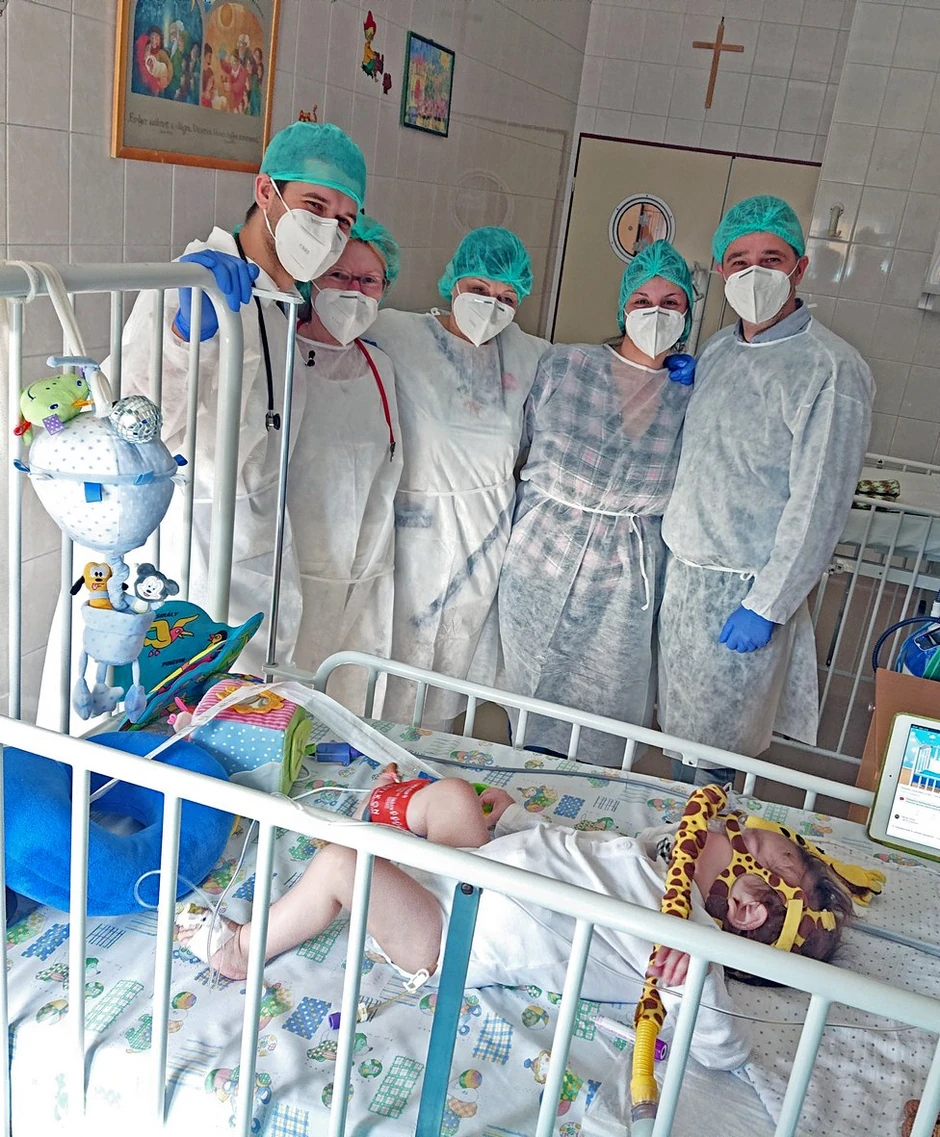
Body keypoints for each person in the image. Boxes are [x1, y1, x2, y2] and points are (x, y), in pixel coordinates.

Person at [175, 791, 861, 1072]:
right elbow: (567, 854)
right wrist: (514, 822)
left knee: (340, 863)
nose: (729, 828)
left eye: (748, 845)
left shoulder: (680, 938)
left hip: (451, 932)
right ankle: (381, 794)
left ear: (745, 909)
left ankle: (239, 950)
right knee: (451, 796)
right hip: (479, 866)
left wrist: (690, 974)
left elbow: (724, 1050)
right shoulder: (657, 858)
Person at [116, 122, 366, 675]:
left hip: (259, 541)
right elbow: (133, 419)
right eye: (314, 205)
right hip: (187, 543)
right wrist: (185, 335)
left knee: (249, 700)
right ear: (265, 192)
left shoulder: (282, 302)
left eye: (344, 220)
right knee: (174, 705)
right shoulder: (194, 281)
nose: (328, 230)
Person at [657, 196, 874, 785]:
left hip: (743, 589)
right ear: (721, 272)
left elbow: (819, 504)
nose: (753, 274)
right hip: (684, 577)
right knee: (678, 735)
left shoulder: (831, 368)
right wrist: (695, 381)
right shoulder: (721, 348)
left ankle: (706, 840)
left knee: (717, 752)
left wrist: (766, 604)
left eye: (770, 260)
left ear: (799, 268)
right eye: (739, 261)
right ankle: (675, 835)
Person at [497, 241, 696, 765]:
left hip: (626, 580)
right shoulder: (567, 365)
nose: (655, 313)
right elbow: (514, 443)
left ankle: (589, 801)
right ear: (623, 309)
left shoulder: (689, 394)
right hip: (541, 559)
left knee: (607, 710)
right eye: (642, 301)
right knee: (530, 697)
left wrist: (707, 383)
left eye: (671, 303)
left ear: (688, 314)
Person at [369, 228, 549, 729]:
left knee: (453, 657)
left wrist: (667, 373)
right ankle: (377, 757)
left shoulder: (529, 354)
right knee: (393, 653)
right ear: (452, 282)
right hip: (413, 529)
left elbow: (591, 373)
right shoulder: (397, 333)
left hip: (485, 532)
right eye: (479, 289)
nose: (491, 305)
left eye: (507, 297)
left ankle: (434, 755)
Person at [288, 214, 402, 710]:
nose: (354, 290)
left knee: (349, 700)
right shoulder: (280, 356)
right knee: (283, 695)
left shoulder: (380, 366)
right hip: (290, 567)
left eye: (368, 280)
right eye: (339, 275)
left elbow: (386, 469)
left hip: (362, 571)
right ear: (312, 279)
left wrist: (371, 560)